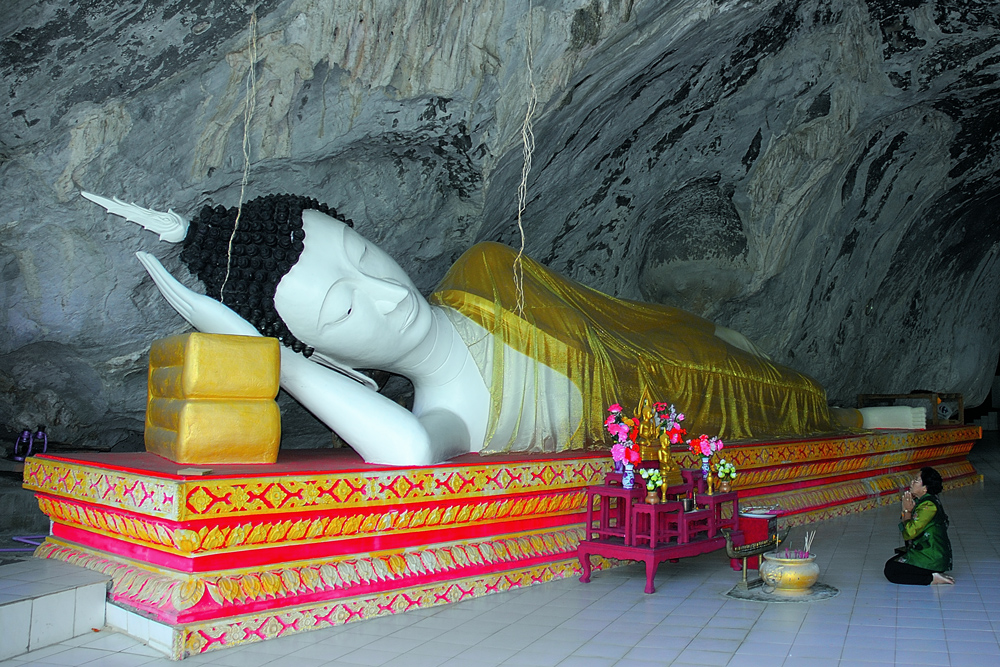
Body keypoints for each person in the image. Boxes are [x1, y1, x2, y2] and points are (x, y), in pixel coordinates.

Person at [82, 192, 924, 466]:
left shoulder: (485, 269)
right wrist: (279, 365)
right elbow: (408, 458)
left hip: (665, 347)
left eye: (362, 253)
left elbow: (610, 319)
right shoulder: (452, 419)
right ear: (330, 353)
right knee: (782, 398)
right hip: (691, 421)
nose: (381, 293)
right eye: (340, 313)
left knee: (741, 363)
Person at [884, 467, 954, 585]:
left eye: (916, 480)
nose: (911, 483)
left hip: (932, 556)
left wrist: (907, 510)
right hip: (925, 551)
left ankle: (931, 579)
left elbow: (910, 533)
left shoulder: (928, 505)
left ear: (925, 488)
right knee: (891, 563)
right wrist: (907, 511)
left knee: (891, 571)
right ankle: (931, 573)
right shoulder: (924, 500)